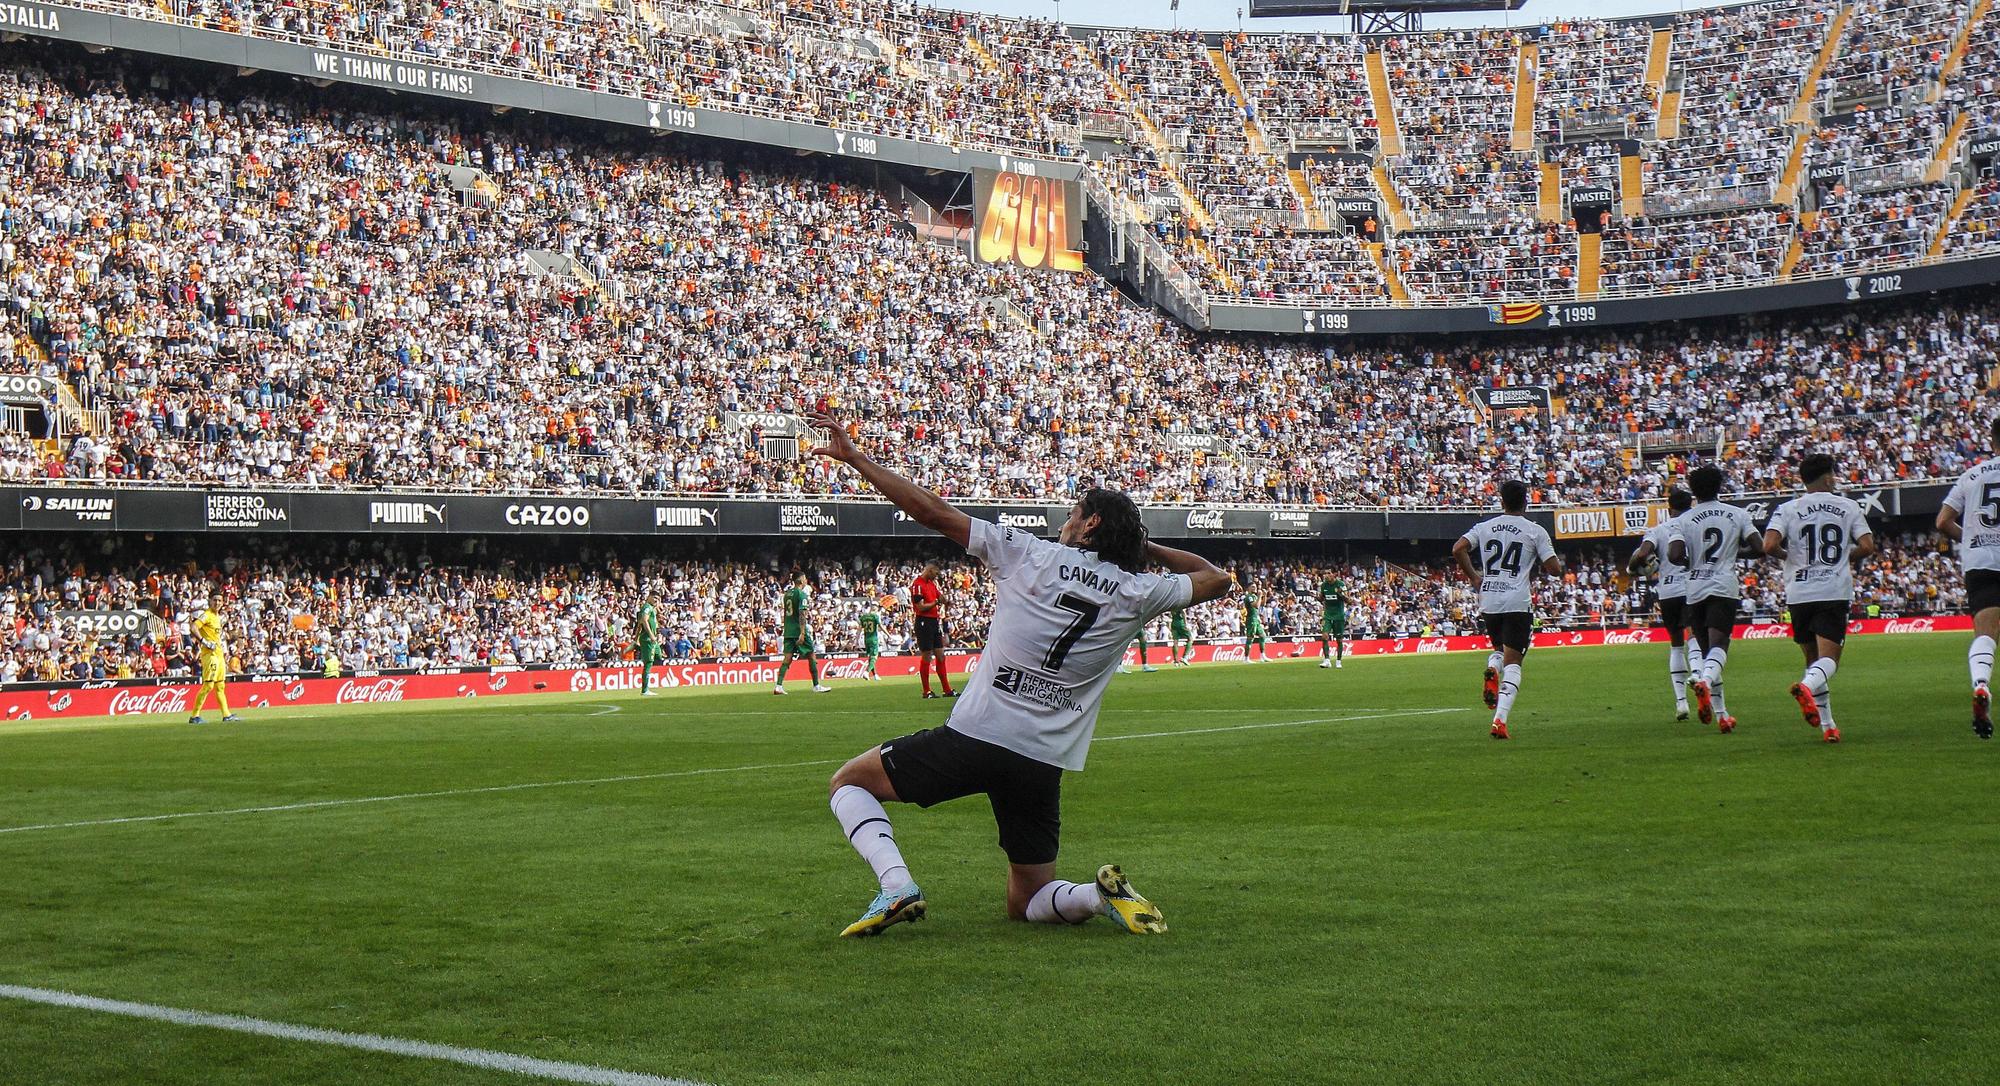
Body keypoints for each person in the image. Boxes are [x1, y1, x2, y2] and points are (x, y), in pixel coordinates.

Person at [807, 408, 1235, 939]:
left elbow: (933, 512)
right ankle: (1095, 896)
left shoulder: (1026, 553)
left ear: (1090, 524)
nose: (1065, 521)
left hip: (977, 735)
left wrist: (857, 459)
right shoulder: (1137, 592)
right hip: (1041, 759)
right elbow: (1216, 580)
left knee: (848, 782)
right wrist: (1139, 548)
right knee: (1027, 900)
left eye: (1074, 514)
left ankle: (896, 884)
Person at [1763, 454, 1875, 743]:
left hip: (1799, 592)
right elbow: (1867, 545)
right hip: (1831, 591)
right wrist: (1841, 558)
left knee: (1812, 659)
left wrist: (1790, 558)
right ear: (1828, 477)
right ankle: (1805, 688)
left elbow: (1769, 545)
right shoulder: (1848, 506)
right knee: (1829, 661)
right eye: (1834, 475)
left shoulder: (1787, 509)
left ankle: (1828, 727)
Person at [1452, 480, 1561, 740]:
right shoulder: (1534, 531)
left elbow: (1458, 548)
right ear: (1526, 501)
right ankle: (1499, 721)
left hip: (1489, 600)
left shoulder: (1485, 526)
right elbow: (1554, 569)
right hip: (1516, 601)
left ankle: (1492, 667)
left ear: (1501, 501)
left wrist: (1475, 577)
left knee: (1500, 651)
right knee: (1514, 663)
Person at [1669, 465, 1765, 733]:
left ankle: (1722, 715)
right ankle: (1706, 683)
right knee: (1719, 647)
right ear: (1720, 486)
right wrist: (1733, 554)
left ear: (1693, 491)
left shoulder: (1683, 520)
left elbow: (1675, 555)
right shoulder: (1738, 514)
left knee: (1708, 651)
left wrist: (1694, 561)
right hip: (1723, 586)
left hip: (1695, 589)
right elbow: (1760, 548)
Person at [1937, 415, 2000, 739]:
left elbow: (1943, 521)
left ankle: (1981, 685)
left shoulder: (1971, 475)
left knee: (1986, 633)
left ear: (1992, 442)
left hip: (1981, 560)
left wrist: (1971, 536)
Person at [1626, 488, 1695, 719]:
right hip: (1693, 587)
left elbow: (1642, 554)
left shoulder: (1657, 530)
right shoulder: (1696, 524)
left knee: (1676, 643)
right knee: (1694, 635)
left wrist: (1633, 567)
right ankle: (1698, 674)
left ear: (1669, 507)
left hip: (1668, 592)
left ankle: (1681, 703)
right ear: (1690, 505)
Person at [187, 595, 240, 725]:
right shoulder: (207, 615)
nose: (217, 602)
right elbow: (193, 627)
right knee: (209, 685)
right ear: (210, 601)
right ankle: (194, 716)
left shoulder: (217, 616)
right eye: (215, 600)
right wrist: (204, 641)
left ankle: (226, 715)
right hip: (209, 655)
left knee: (220, 686)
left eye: (220, 600)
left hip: (218, 654)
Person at [775, 571, 830, 696]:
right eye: (805, 578)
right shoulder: (802, 595)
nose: (806, 581)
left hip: (788, 631)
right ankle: (816, 685)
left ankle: (778, 686)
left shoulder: (787, 594)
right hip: (798, 631)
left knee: (787, 659)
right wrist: (803, 633)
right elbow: (802, 615)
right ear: (800, 580)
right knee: (811, 655)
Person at [911, 564, 955, 698]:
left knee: (941, 655)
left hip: (934, 621)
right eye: (935, 574)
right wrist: (936, 603)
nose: (935, 577)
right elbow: (921, 607)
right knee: (927, 655)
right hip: (923, 621)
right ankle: (926, 691)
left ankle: (947, 690)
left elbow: (939, 597)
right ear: (929, 571)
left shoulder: (931, 584)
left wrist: (945, 600)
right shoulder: (917, 585)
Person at [634, 590, 663, 696]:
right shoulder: (646, 607)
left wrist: (657, 634)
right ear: (649, 597)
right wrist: (651, 635)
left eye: (658, 599)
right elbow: (644, 621)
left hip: (653, 640)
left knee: (659, 656)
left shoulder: (651, 608)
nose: (656, 600)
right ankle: (645, 690)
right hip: (648, 639)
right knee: (648, 663)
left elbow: (652, 623)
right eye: (655, 598)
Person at [1318, 573, 1347, 669]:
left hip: (1339, 616)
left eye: (1329, 573)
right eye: (1325, 573)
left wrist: (1340, 594)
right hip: (1328, 615)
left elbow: (1349, 600)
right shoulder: (1324, 585)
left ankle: (1338, 661)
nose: (1326, 575)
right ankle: (1327, 661)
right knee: (1324, 636)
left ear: (1334, 575)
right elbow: (1321, 598)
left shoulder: (1341, 584)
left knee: (1339, 640)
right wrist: (1316, 597)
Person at [1242, 586, 1268, 661]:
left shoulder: (1254, 596)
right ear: (1248, 588)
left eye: (1255, 587)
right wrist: (1260, 596)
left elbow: (1262, 604)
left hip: (1256, 619)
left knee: (1263, 636)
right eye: (1253, 587)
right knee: (1250, 638)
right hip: (1251, 619)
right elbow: (1256, 606)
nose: (1255, 588)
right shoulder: (1249, 597)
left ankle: (1262, 656)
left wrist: (1265, 595)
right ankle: (1246, 658)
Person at [859, 604, 884, 681]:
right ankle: (866, 672)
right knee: (874, 657)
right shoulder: (875, 617)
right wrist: (889, 635)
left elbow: (859, 629)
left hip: (866, 639)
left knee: (870, 658)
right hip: (873, 639)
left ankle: (875, 675)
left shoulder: (863, 617)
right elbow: (881, 626)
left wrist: (857, 639)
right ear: (875, 609)